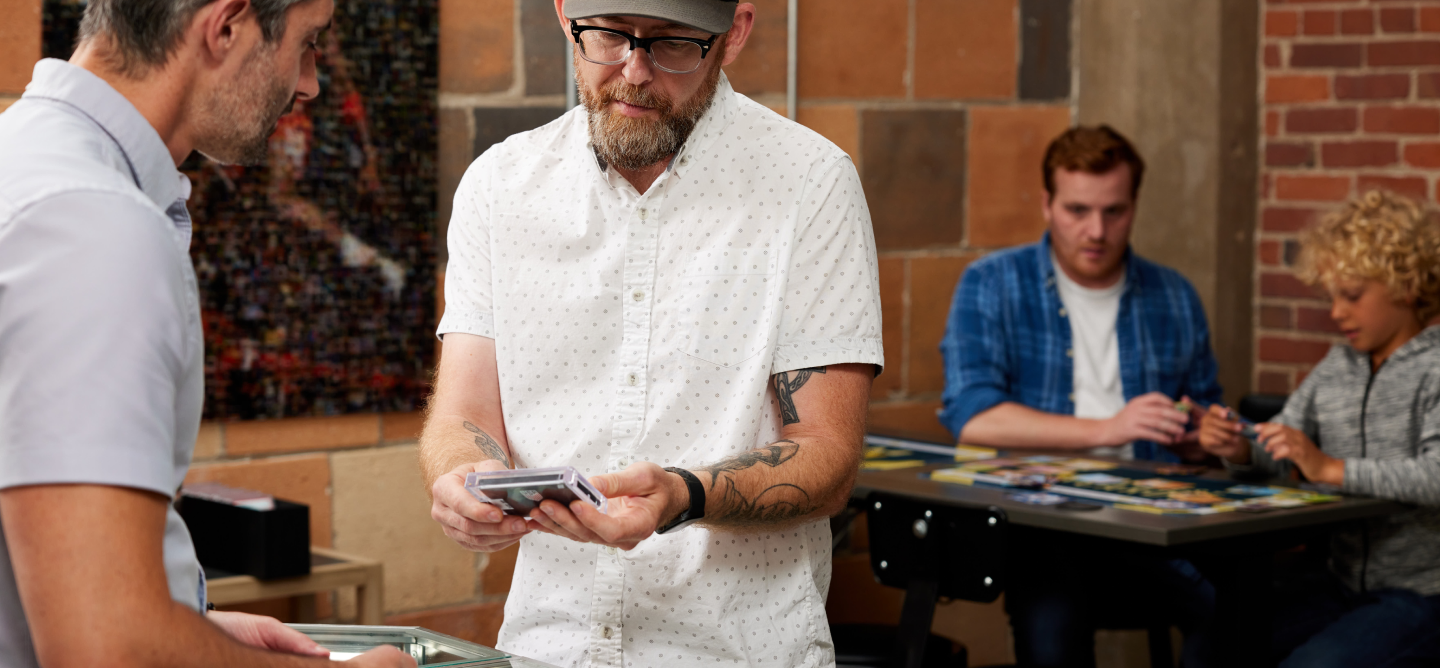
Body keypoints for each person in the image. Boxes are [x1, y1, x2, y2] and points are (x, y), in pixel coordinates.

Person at [420, 0, 882, 665]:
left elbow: (826, 454)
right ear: (563, 13)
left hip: (736, 652)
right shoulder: (499, 187)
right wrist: (464, 480)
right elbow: (462, 411)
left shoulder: (810, 184)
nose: (634, 72)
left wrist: (683, 496)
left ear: (736, 32)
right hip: (549, 647)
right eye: (608, 35)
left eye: (672, 44)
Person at [0, 1, 410, 666]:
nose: (310, 83)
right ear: (227, 26)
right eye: (307, 45)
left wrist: (191, 625)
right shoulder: (94, 225)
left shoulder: (26, 162)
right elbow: (106, 647)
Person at [938, 125, 1224, 667]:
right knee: (1053, 639)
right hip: (1043, 526)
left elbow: (1204, 415)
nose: (1096, 231)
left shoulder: (1176, 295)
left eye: (1114, 211)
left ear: (1134, 206)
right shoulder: (993, 283)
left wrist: (1205, 439)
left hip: (1152, 527)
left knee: (1237, 613)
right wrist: (1108, 430)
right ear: (1047, 204)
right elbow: (974, 418)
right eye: (1077, 210)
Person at [1200, 190, 1440, 667]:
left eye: (1351, 296)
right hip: (1341, 583)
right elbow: (1284, 444)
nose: (1336, 312)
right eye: (1330, 296)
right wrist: (1241, 446)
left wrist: (1331, 469)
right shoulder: (1337, 365)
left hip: (1423, 594)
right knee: (1211, 646)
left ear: (1406, 285)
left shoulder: (1435, 367)